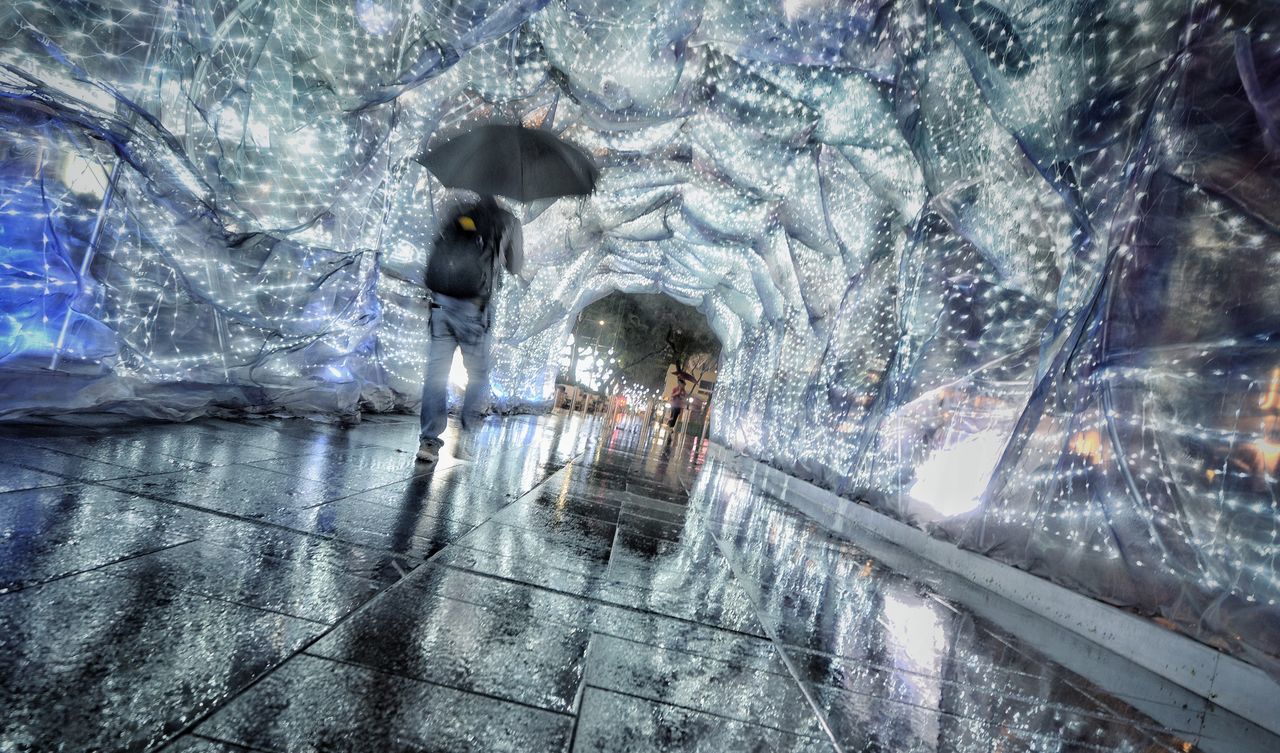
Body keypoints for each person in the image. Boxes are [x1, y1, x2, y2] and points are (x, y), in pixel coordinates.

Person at [417, 195, 523, 464]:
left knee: (436, 373)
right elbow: (516, 266)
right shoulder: (508, 221)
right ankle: (467, 433)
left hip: (441, 303)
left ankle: (429, 442)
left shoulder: (457, 209)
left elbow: (438, 246)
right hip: (474, 310)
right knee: (478, 374)